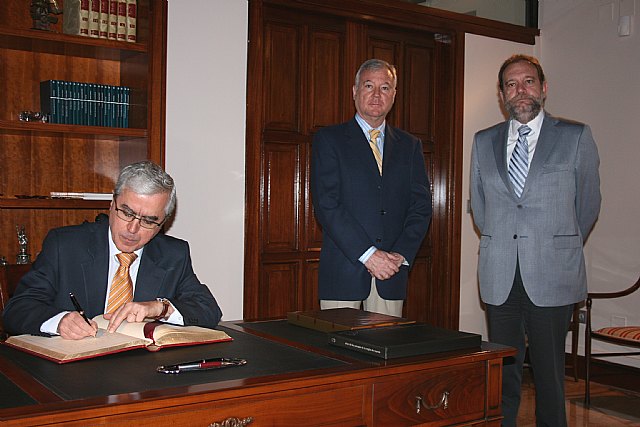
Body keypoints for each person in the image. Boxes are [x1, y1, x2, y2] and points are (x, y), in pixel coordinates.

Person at [470, 54, 601, 426]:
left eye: (528, 81)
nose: (520, 90)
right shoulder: (483, 142)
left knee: (548, 376)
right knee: (505, 375)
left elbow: (588, 205)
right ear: (501, 95)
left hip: (552, 274)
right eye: (511, 84)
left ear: (543, 88)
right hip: (500, 277)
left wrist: (557, 242)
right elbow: (481, 209)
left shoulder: (575, 136)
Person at [4, 160, 222, 340]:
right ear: (111, 204)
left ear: (163, 223)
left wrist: (159, 308)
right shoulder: (65, 245)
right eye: (126, 213)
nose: (132, 229)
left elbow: (209, 311)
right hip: (73, 376)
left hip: (142, 376)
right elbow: (17, 309)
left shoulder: (174, 254)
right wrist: (59, 321)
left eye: (148, 221)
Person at [311, 58, 432, 317]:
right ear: (355, 91)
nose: (377, 95)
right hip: (343, 273)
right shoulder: (329, 139)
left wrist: (400, 255)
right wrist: (369, 255)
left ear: (394, 95)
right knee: (339, 355)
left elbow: (420, 208)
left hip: (392, 273)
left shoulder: (410, 146)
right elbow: (327, 205)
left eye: (385, 87)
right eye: (369, 86)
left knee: (387, 353)